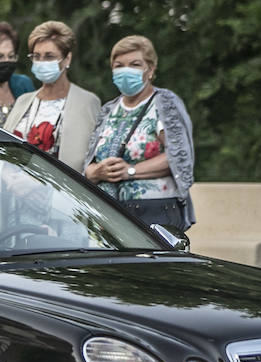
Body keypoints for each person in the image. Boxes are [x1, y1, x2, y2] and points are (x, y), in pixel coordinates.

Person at [82, 35, 195, 229]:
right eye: (119, 65)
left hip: (155, 211)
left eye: (134, 64)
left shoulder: (164, 104)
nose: (125, 70)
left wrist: (130, 171)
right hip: (108, 213)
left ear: (150, 70)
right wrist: (96, 172)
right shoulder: (109, 109)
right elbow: (88, 165)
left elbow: (179, 156)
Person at [4, 21, 101, 168]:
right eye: (36, 56)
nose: (41, 62)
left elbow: (92, 157)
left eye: (49, 56)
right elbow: (5, 149)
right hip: (14, 185)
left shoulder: (87, 102)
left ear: (67, 59)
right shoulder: (23, 101)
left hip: (61, 187)